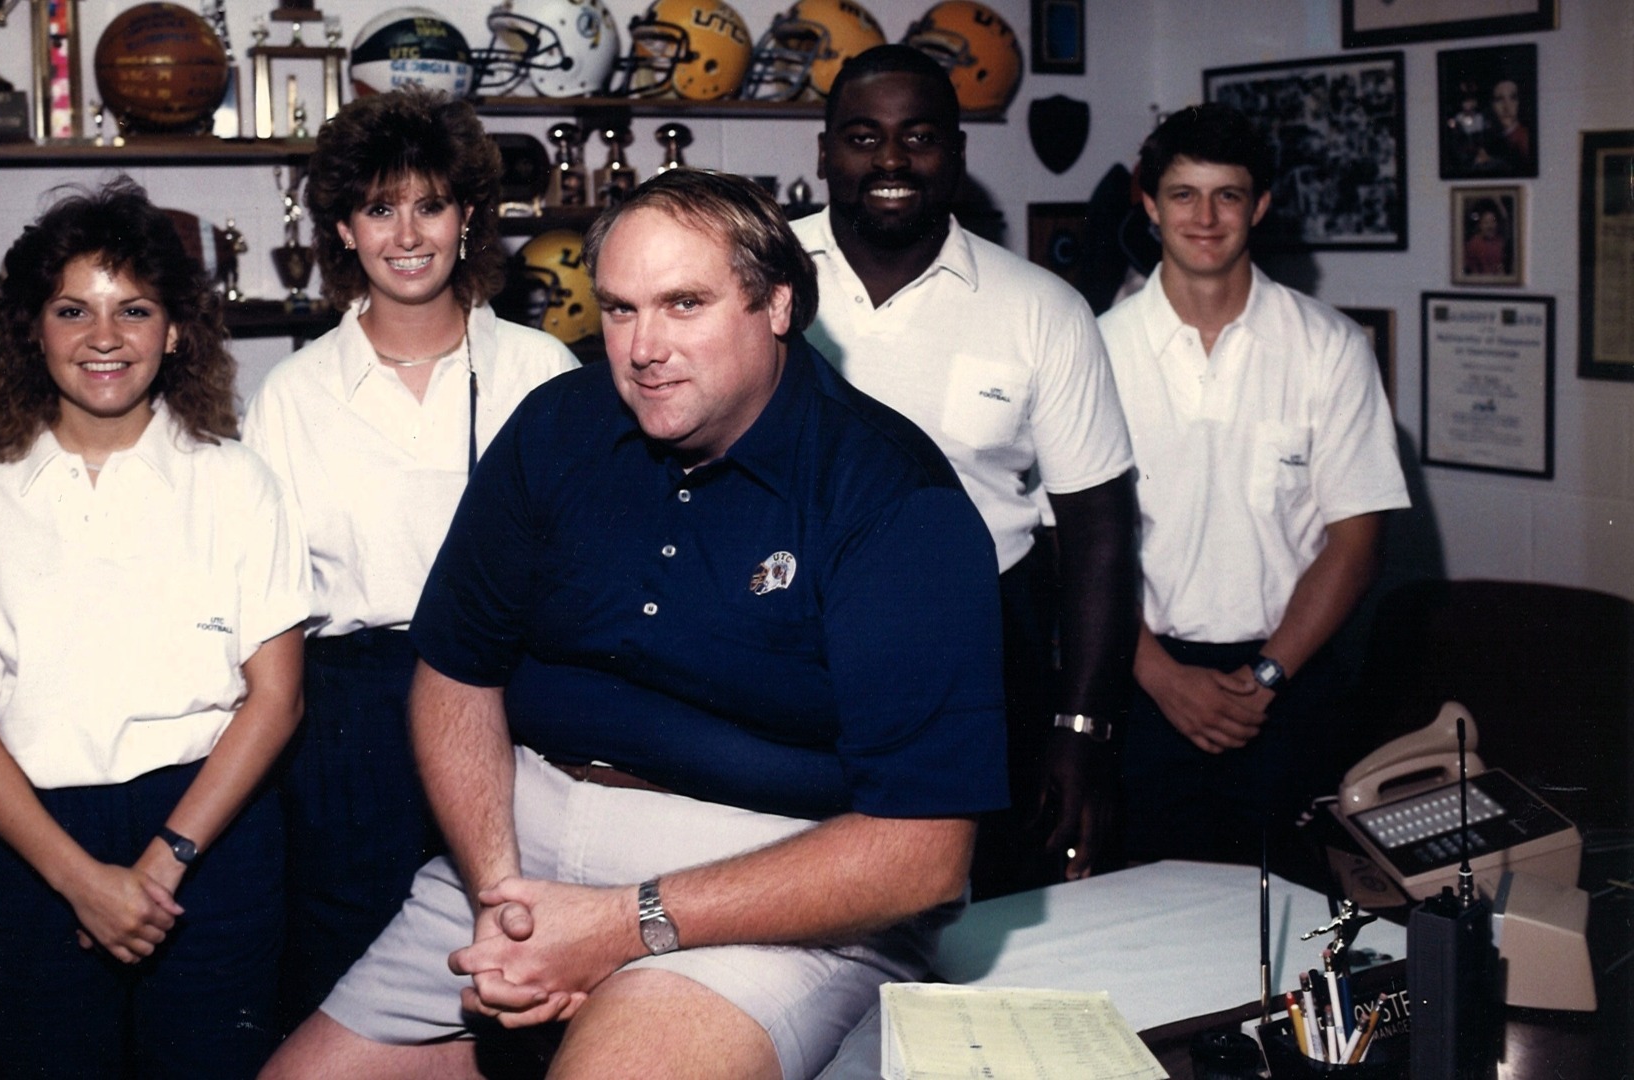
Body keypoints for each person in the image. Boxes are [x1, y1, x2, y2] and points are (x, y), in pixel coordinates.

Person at [260, 168, 1007, 1080]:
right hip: (512, 853)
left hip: (762, 887)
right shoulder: (557, 426)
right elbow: (456, 674)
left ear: (777, 304)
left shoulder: (890, 495)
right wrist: (503, 897)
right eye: (619, 310)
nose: (643, 347)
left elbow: (923, 855)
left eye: (683, 304)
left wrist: (621, 924)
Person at [0, 178, 311, 1077]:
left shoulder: (238, 485)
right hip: (31, 850)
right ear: (30, 330)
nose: (103, 338)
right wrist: (80, 879)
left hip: (212, 842)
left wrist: (161, 866)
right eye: (71, 309)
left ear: (174, 331)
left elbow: (275, 699)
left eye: (134, 309)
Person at [241, 86, 578, 1028]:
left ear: (469, 216)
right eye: (379, 208)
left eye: (429, 203)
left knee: (512, 966)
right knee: (348, 979)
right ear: (343, 228)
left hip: (516, 700)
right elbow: (267, 608)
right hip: (352, 717)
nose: (407, 233)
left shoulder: (540, 372)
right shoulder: (293, 395)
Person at [794, 44, 1138, 886]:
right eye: (863, 136)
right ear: (825, 152)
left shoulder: (1041, 310)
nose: (891, 160)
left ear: (956, 153)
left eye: (919, 136)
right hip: (785, 648)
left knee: (972, 922)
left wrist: (1080, 727)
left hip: (981, 658)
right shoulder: (752, 276)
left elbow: (1099, 533)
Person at [1098, 105, 1410, 866]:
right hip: (1137, 683)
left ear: (1260, 206)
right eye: (1183, 194)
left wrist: (1264, 678)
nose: (1205, 217)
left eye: (1228, 195)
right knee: (1142, 924)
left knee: (1291, 927)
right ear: (1148, 201)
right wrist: (1163, 678)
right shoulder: (1094, 349)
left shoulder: (1328, 347)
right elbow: (1074, 547)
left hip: (1288, 688)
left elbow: (1357, 542)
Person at [1463, 200, 1508, 277]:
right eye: (1486, 222)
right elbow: (1471, 271)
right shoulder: (1473, 244)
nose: (1490, 226)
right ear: (1480, 225)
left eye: (1492, 222)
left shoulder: (1501, 242)